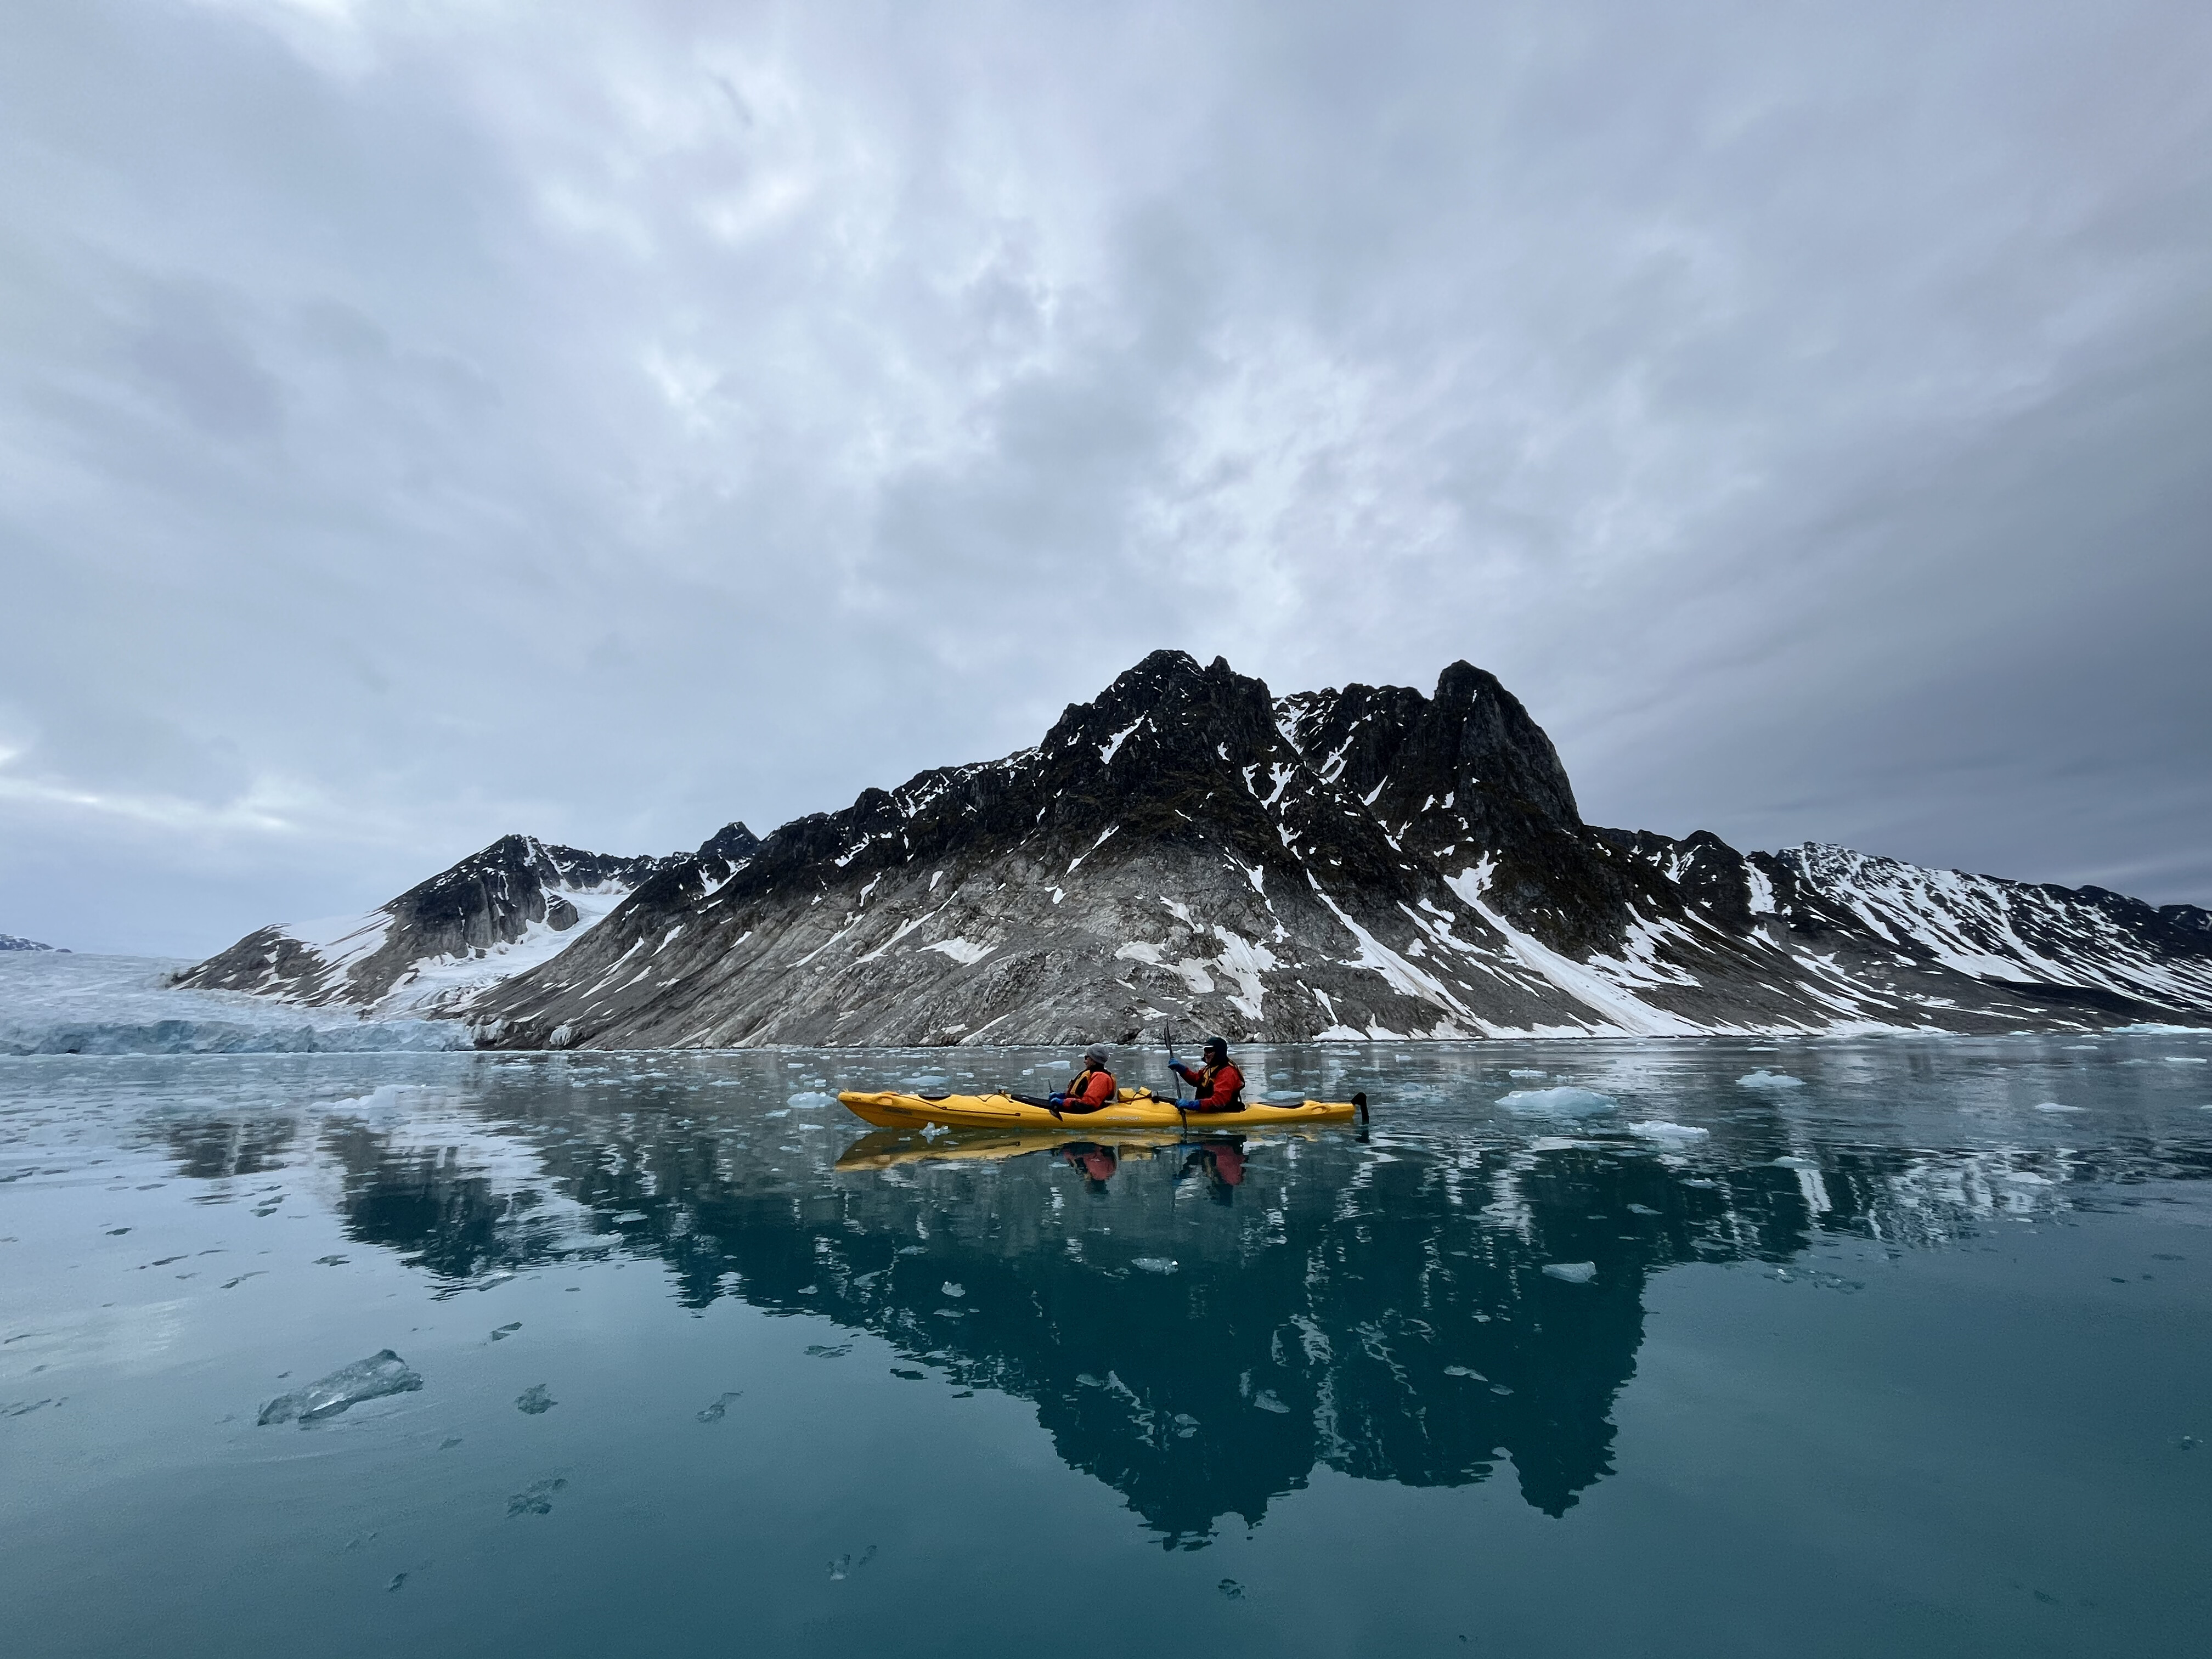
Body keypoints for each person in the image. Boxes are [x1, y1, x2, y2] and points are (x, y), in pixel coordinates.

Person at [1170, 1036, 1244, 1113]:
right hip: (1206, 1110)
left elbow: (1218, 1102)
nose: (1206, 1054)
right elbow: (1196, 1079)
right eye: (1205, 1050)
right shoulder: (1211, 1068)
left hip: (1222, 1112)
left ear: (1218, 1052)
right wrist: (1181, 1069)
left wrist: (1193, 1105)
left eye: (1209, 1051)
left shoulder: (1227, 1072)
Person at [1054, 1045, 1118, 1114]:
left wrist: (1063, 1103)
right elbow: (1080, 1096)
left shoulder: (1101, 1078)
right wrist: (1063, 1096)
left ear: (1094, 1060)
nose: (1084, 1061)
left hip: (1085, 1112)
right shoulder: (1092, 1074)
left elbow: (1088, 1105)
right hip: (1078, 1107)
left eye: (1087, 1058)